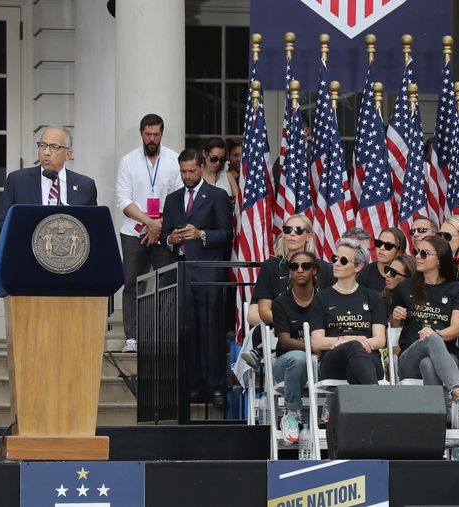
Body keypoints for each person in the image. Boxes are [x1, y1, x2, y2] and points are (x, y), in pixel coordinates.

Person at [160, 148, 233, 405]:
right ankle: (192, 385)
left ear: (202, 167)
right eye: (183, 172)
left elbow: (226, 234)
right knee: (187, 331)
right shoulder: (172, 199)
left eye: (191, 171)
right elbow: (163, 235)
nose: (187, 176)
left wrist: (200, 234)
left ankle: (215, 387)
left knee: (211, 332)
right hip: (181, 274)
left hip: (209, 273)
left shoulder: (218, 196)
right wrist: (171, 238)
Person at [390, 235, 459, 420]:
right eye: (416, 252)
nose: (417, 256)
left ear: (440, 259)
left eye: (424, 253)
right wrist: (395, 317)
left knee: (429, 364)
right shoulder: (405, 287)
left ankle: (435, 428)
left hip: (445, 356)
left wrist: (436, 334)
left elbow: (456, 328)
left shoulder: (457, 289)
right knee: (429, 340)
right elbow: (395, 325)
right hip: (410, 356)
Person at [115, 114, 183, 353]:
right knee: (131, 283)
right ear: (141, 133)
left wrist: (159, 226)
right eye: (148, 134)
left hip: (164, 233)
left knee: (167, 283)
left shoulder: (174, 159)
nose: (152, 139)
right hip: (133, 231)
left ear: (162, 134)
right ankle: (131, 337)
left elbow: (178, 199)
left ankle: (161, 335)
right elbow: (123, 199)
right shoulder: (128, 161)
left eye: (156, 134)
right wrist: (149, 223)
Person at [242, 214, 335, 368]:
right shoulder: (270, 266)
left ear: (308, 236)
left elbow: (333, 307)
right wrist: (287, 323)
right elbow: (256, 314)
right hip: (280, 331)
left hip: (317, 330)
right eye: (287, 229)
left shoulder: (323, 268)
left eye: (298, 230)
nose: (292, 233)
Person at [309, 238, 387, 388]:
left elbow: (380, 340)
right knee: (353, 347)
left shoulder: (372, 296)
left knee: (355, 367)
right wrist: (348, 341)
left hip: (369, 361)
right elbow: (317, 342)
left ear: (358, 267)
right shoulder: (322, 297)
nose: (336, 263)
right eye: (335, 258)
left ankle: (356, 407)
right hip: (334, 362)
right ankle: (378, 401)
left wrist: (353, 342)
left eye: (343, 260)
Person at [0, 126, 98, 237]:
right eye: (42, 146)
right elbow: (0, 225)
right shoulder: (17, 181)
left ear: (68, 154)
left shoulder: (86, 186)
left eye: (54, 147)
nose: (46, 152)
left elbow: (94, 227)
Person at [270, 250, 319, 443]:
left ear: (314, 270)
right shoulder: (280, 302)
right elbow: (284, 341)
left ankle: (333, 409)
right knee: (299, 358)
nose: (299, 270)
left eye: (305, 266)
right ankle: (291, 413)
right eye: (294, 266)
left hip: (316, 362)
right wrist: (312, 347)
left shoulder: (324, 299)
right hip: (287, 363)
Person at [358, 227, 408, 293]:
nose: (381, 248)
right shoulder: (365, 272)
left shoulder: (407, 274)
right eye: (379, 243)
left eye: (388, 246)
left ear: (399, 251)